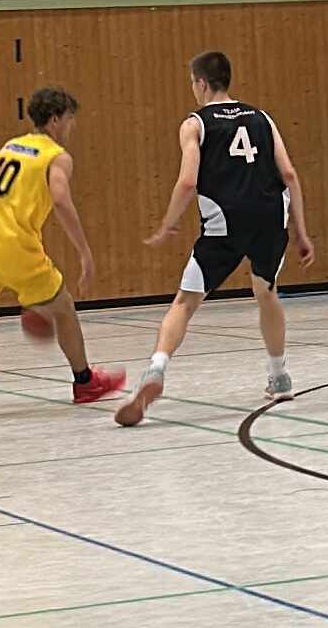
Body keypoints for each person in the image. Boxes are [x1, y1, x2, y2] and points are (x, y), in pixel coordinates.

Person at [117, 50, 313, 427]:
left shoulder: (194, 124)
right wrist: (301, 231)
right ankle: (279, 376)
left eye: (193, 83)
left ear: (201, 83)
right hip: (271, 218)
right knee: (266, 291)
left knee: (184, 302)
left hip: (226, 223)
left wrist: (167, 224)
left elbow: (188, 180)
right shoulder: (262, 118)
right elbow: (288, 173)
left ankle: (156, 370)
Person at [0, 86, 122, 423]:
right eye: (70, 120)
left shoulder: (10, 146)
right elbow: (60, 199)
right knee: (63, 308)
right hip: (15, 250)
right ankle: (85, 383)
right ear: (55, 119)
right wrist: (85, 253)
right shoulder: (56, 156)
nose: (72, 127)